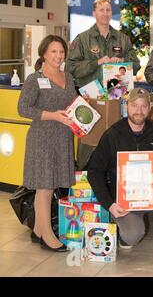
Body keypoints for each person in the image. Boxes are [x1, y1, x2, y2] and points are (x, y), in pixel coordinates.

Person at [87, 88, 153, 262]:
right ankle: (126, 232)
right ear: (126, 107)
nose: (139, 110)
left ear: (149, 108)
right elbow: (94, 172)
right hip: (124, 201)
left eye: (143, 106)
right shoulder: (112, 134)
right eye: (134, 105)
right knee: (133, 235)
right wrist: (110, 204)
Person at [18, 35, 78, 252]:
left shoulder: (68, 77)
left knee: (49, 185)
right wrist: (52, 115)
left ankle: (38, 230)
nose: (58, 56)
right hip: (42, 138)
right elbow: (23, 109)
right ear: (44, 53)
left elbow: (71, 103)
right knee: (44, 186)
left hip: (62, 137)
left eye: (61, 52)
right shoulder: (35, 79)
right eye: (53, 51)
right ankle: (47, 237)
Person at [66, 0, 140, 170]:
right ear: (94, 13)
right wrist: (96, 63)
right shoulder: (83, 39)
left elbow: (136, 64)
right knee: (89, 145)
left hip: (118, 100)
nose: (105, 14)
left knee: (117, 144)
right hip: (91, 101)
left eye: (108, 10)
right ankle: (85, 182)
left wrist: (121, 62)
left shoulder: (122, 39)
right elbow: (70, 67)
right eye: (101, 10)